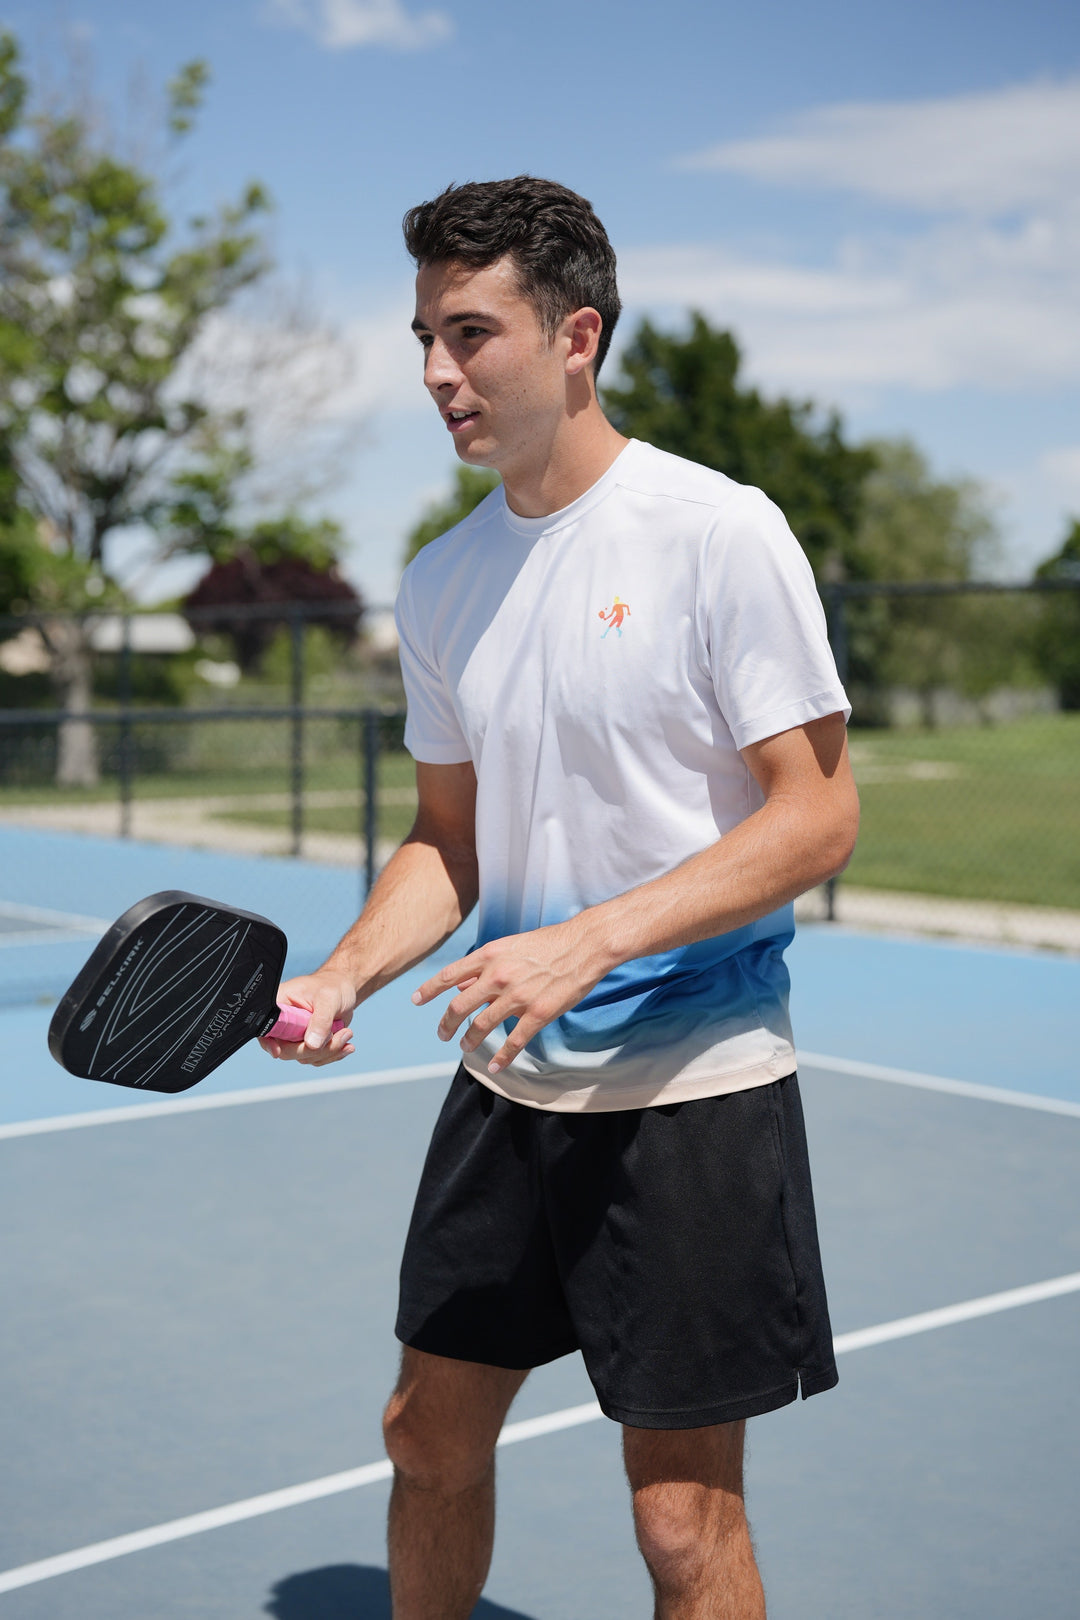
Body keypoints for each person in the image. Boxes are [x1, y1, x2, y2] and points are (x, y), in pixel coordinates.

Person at [261, 175, 860, 1620]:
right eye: (422, 335)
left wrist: (590, 939)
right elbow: (446, 845)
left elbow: (821, 814)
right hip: (507, 1083)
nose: (434, 374)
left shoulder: (717, 532)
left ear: (576, 334)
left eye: (470, 334)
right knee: (426, 1437)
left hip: (693, 1093)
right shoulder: (443, 580)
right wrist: (344, 971)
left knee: (680, 1525)